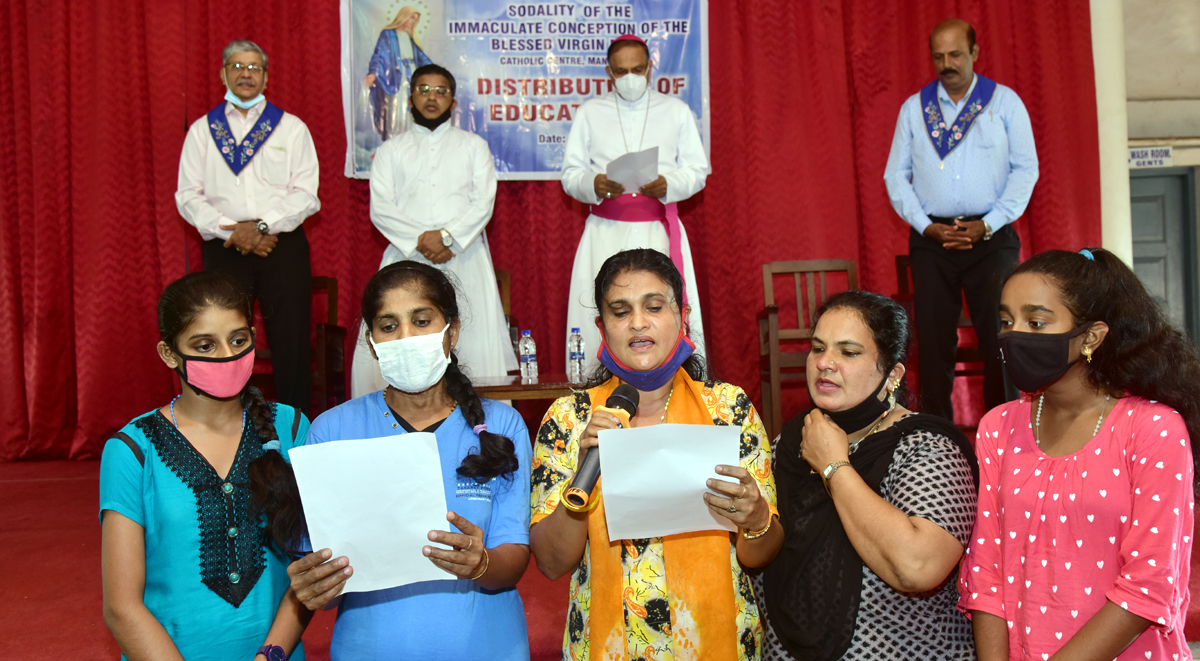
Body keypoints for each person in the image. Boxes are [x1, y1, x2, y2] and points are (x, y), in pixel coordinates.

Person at [530, 249, 780, 661]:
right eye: (620, 311)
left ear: (682, 316)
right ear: (602, 327)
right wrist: (582, 478)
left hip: (716, 641)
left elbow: (761, 555)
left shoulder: (728, 409)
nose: (638, 323)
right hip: (608, 645)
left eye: (654, 307)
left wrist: (756, 519)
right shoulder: (569, 419)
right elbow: (551, 563)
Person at [960, 248, 1199, 661]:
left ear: (1091, 337)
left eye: (1036, 322)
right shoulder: (999, 426)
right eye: (1006, 321)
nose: (1014, 335)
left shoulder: (1153, 429)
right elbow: (986, 571)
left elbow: (1147, 585)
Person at [287, 261, 532, 660]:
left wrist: (482, 563)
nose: (406, 338)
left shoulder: (502, 425)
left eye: (421, 321)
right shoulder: (331, 430)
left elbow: (515, 558)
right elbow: (324, 581)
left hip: (486, 647)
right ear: (372, 343)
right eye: (389, 326)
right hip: (370, 649)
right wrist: (315, 586)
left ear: (452, 331)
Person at [754, 291, 979, 661]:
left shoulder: (927, 448)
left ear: (892, 375)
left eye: (848, 352)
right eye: (818, 348)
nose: (824, 363)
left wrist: (833, 466)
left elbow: (918, 567)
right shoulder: (793, 442)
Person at [100, 272, 311, 661]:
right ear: (169, 354)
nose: (227, 356)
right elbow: (121, 608)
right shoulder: (132, 450)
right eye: (205, 345)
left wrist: (271, 655)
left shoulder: (292, 427)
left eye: (238, 340)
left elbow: (310, 568)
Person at [883, 19, 1038, 421]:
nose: (946, 64)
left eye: (955, 55)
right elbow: (895, 175)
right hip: (932, 240)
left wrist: (990, 223)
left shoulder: (1004, 103)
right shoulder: (915, 109)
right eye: (938, 56)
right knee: (933, 345)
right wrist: (925, 226)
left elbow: (1026, 170)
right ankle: (937, 436)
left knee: (1001, 340)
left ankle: (1004, 431)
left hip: (991, 238)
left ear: (974, 53)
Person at [351, 64, 516, 398]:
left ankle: (481, 421)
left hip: (463, 255)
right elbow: (381, 208)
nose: (432, 97)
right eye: (424, 89)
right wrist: (421, 240)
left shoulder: (474, 146)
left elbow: (483, 202)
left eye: (441, 91)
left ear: (453, 102)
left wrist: (446, 237)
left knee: (472, 341)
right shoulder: (390, 150)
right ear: (410, 97)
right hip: (406, 258)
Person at [176, 40, 321, 414]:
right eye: (237, 66)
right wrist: (232, 231)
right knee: (222, 335)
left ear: (266, 77)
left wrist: (260, 226)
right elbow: (188, 195)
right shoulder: (203, 131)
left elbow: (306, 194)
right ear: (223, 73)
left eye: (254, 67)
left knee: (291, 339)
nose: (246, 74)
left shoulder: (290, 128)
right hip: (225, 248)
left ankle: (294, 423)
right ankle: (226, 421)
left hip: (281, 245)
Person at [561, 35, 710, 373]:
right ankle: (594, 382)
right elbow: (570, 176)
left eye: (638, 69)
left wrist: (669, 183)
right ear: (608, 72)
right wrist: (594, 184)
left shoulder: (675, 110)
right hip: (604, 230)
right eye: (621, 71)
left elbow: (698, 171)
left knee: (661, 303)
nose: (630, 77)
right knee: (602, 303)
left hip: (657, 227)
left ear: (650, 68)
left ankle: (677, 378)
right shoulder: (589, 112)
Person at [364, 6, 433, 142]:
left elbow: (421, 57)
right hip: (396, 77)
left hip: (411, 74)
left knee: (412, 107)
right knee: (396, 108)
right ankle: (394, 139)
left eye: (415, 19)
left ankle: (411, 140)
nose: (413, 22)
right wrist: (374, 73)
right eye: (411, 18)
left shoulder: (409, 37)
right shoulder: (388, 34)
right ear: (404, 16)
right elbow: (379, 55)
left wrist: (435, 69)